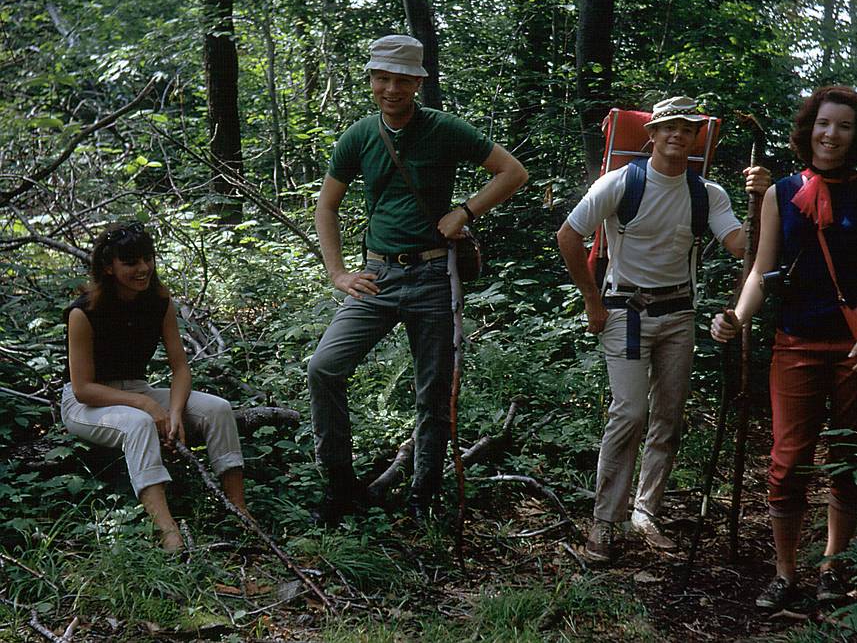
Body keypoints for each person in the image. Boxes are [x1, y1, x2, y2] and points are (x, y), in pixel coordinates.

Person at [308, 34, 528, 525]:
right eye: (382, 78)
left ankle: (422, 495)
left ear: (418, 83)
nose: (391, 88)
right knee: (324, 367)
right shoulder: (360, 136)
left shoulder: (445, 129)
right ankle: (341, 487)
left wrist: (465, 211)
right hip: (378, 275)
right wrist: (338, 272)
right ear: (371, 81)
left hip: (433, 274)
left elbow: (513, 172)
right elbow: (327, 205)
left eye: (402, 79)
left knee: (434, 390)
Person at [711, 85, 857, 609]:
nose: (832, 134)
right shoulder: (781, 193)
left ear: (856, 136)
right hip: (795, 342)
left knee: (847, 458)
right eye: (824, 123)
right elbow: (761, 269)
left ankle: (832, 569)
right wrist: (737, 316)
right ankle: (784, 573)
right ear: (809, 129)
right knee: (786, 461)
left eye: (844, 126)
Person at [557, 96, 770, 563]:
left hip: (678, 317)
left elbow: (741, 247)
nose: (677, 135)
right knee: (630, 413)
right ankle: (604, 521)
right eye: (668, 127)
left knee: (669, 418)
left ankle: (645, 511)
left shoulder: (707, 194)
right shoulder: (619, 184)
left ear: (696, 139)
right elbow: (568, 235)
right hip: (626, 314)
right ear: (651, 134)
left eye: (686, 129)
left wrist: (764, 202)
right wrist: (592, 301)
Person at [62, 222, 247, 552]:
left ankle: (238, 510)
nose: (143, 268)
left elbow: (180, 368)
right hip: (87, 403)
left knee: (218, 409)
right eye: (131, 262)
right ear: (109, 266)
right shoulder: (84, 312)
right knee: (139, 424)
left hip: (136, 389)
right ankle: (168, 531)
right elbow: (82, 389)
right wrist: (148, 407)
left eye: (147, 258)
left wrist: (174, 413)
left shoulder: (159, 303)